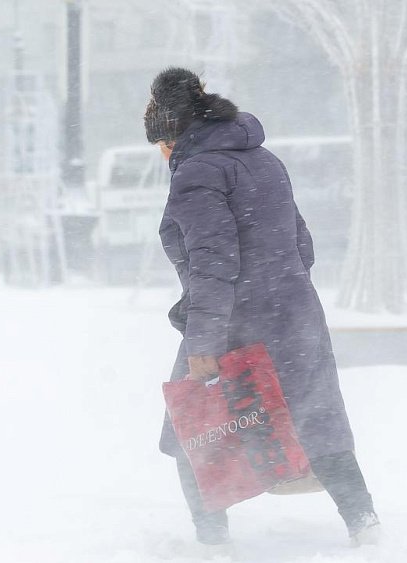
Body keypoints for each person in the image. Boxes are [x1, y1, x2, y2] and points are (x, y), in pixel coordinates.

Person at [144, 67, 380, 548]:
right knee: (317, 420)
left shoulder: (197, 173)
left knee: (195, 431)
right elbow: (303, 246)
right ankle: (366, 525)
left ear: (172, 133)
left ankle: (212, 543)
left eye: (161, 144)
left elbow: (213, 265)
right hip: (294, 318)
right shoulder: (264, 159)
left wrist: (204, 343)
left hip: (233, 323)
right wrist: (280, 290)